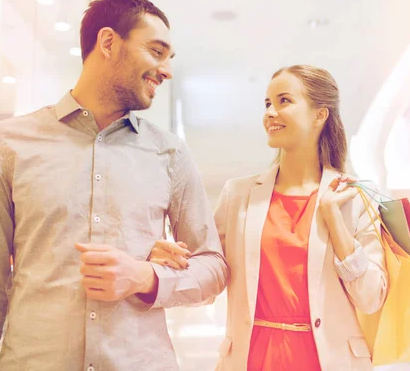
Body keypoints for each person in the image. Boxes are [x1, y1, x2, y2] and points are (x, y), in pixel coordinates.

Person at [0, 0, 228, 371]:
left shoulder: (170, 154)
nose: (166, 70)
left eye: (169, 58)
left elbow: (213, 267)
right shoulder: (5, 144)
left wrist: (144, 276)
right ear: (107, 42)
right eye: (156, 51)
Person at [151, 65, 388, 370]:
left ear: (320, 115)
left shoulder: (354, 198)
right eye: (267, 104)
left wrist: (335, 222)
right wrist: (171, 263)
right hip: (253, 358)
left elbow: (371, 299)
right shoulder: (238, 195)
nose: (270, 113)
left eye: (284, 101)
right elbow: (207, 281)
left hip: (331, 361)